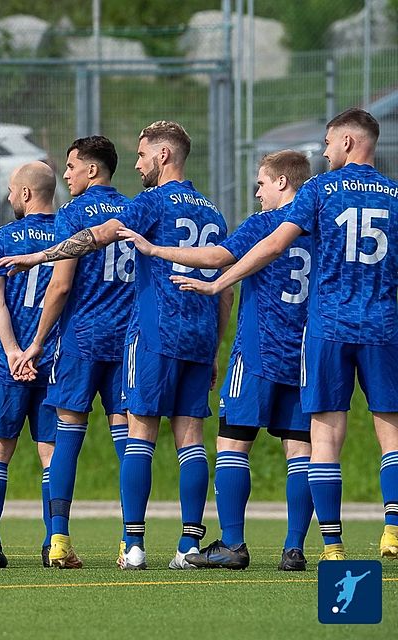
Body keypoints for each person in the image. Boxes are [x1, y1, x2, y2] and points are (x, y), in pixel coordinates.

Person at [0, 121, 232, 570]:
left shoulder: (136, 206)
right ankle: (184, 546)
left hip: (108, 336)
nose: (137, 163)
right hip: (173, 335)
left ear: (163, 156)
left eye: (142, 155)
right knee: (188, 440)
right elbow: (224, 289)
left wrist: (36, 262)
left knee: (81, 434)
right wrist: (217, 345)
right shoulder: (213, 212)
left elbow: (71, 272)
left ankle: (77, 540)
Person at [168, 108, 398, 562]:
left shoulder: (309, 200)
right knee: (334, 441)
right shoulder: (393, 194)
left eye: (330, 142)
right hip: (366, 331)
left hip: (289, 343)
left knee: (240, 440)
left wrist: (210, 278)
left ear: (348, 142)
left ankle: (253, 542)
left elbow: (251, 250)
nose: (256, 191)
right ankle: (306, 544)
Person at [118, 150, 315, 571]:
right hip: (306, 354)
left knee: (230, 445)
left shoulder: (266, 225)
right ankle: (294, 548)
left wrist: (154, 249)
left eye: (261, 183)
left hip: (259, 350)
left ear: (282, 182)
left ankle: (229, 543)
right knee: (300, 450)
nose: (257, 193)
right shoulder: (321, 229)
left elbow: (216, 258)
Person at [12, 136, 133, 569]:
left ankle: (59, 540)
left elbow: (61, 284)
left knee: (68, 437)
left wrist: (38, 341)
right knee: (129, 442)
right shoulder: (134, 208)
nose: (65, 175)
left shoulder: (73, 213)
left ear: (92, 170)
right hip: (126, 342)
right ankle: (129, 542)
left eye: (71, 166)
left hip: (81, 339)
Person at [0, 161, 60, 568]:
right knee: (51, 453)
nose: (9, 197)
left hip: (6, 360)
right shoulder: (68, 236)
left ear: (26, 194)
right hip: (53, 356)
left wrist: (12, 350)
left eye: (12, 190)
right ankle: (53, 541)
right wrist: (37, 349)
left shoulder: (3, 237)